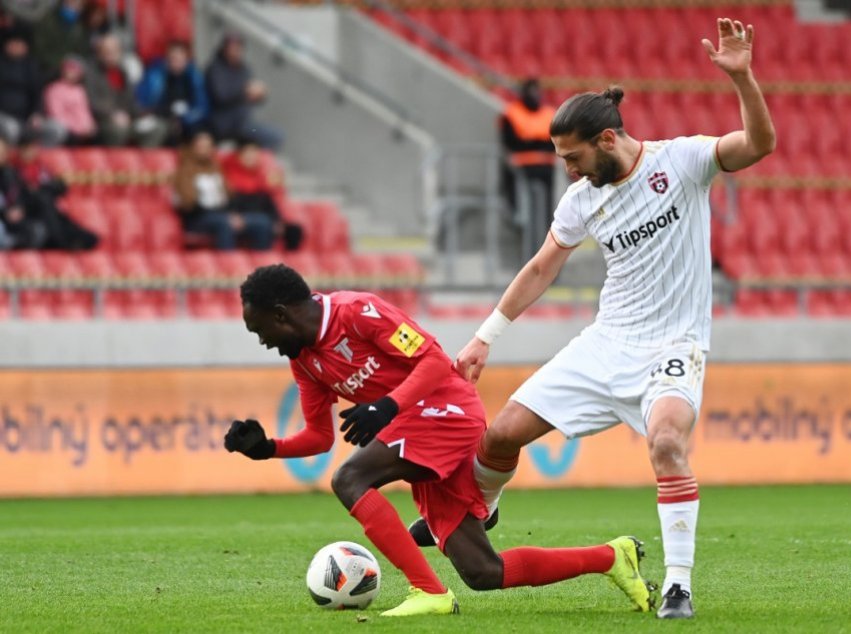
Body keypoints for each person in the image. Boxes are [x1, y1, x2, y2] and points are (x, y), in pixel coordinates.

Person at [409, 18, 777, 620]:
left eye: (572, 157)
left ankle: (679, 583)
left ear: (607, 140)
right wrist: (485, 338)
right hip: (606, 343)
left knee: (665, 443)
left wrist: (743, 79)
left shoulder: (681, 163)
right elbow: (540, 268)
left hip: (672, 346)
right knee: (499, 436)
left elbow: (759, 145)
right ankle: (484, 507)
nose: (568, 171)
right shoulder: (581, 199)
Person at [225, 264, 656, 617]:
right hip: (412, 431)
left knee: (349, 479)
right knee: (483, 572)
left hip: (447, 412)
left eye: (259, 329)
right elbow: (319, 437)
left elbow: (432, 359)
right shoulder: (306, 362)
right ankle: (611, 557)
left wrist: (387, 406)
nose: (262, 341)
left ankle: (427, 590)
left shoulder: (358, 312)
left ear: (281, 314)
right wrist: (268, 449)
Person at [172, 129, 274, 250]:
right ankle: (228, 262)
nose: (205, 150)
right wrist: (225, 216)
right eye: (201, 146)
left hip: (223, 213)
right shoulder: (185, 172)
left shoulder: (217, 169)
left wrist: (233, 215)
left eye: (208, 146)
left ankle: (261, 263)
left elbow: (228, 195)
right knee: (224, 224)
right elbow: (188, 203)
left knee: (262, 222)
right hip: (198, 217)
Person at [500, 78, 557, 259]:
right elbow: (512, 142)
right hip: (521, 168)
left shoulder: (549, 114)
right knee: (525, 209)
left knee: (547, 212)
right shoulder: (512, 113)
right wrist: (538, 143)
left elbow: (554, 143)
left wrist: (531, 142)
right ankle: (516, 214)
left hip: (546, 168)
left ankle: (548, 229)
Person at [220, 137, 302, 250]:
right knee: (263, 224)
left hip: (262, 216)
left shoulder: (261, 175)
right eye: (247, 153)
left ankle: (292, 263)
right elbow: (226, 201)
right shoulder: (228, 174)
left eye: (254, 153)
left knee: (294, 230)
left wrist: (277, 220)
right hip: (241, 217)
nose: (251, 157)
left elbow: (269, 202)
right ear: (238, 155)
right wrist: (232, 215)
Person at [85, 32, 164, 146]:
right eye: (106, 52)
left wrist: (145, 113)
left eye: (114, 51)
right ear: (99, 54)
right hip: (104, 122)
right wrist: (113, 114)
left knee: (157, 127)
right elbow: (92, 102)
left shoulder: (124, 73)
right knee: (119, 130)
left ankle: (144, 162)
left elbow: (132, 101)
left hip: (128, 120)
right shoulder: (92, 74)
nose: (111, 55)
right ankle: (116, 163)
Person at [204, 33, 281, 150]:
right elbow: (221, 95)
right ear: (224, 49)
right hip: (224, 123)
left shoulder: (244, 69)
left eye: (238, 48)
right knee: (272, 137)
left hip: (244, 122)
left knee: (276, 136)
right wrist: (244, 91)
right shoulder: (215, 69)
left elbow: (251, 97)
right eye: (231, 48)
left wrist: (260, 94)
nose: (234, 51)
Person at [0, 27, 67, 146]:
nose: (17, 46)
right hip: (3, 117)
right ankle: (8, 160)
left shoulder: (32, 66)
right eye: (13, 42)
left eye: (20, 43)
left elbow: (37, 94)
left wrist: (37, 113)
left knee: (57, 129)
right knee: (11, 128)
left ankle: (37, 159)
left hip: (26, 119)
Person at [136, 40, 208, 147]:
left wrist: (185, 119)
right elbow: (145, 102)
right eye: (173, 58)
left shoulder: (195, 77)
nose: (177, 62)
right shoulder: (154, 75)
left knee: (201, 132)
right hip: (162, 117)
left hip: (188, 120)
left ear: (186, 60)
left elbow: (202, 106)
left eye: (180, 59)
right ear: (167, 59)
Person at [43, 55, 96, 145]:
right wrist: (78, 129)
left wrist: (89, 125)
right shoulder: (54, 89)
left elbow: (84, 111)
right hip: (67, 131)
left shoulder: (80, 90)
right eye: (69, 69)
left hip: (82, 130)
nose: (72, 73)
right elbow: (56, 114)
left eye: (75, 70)